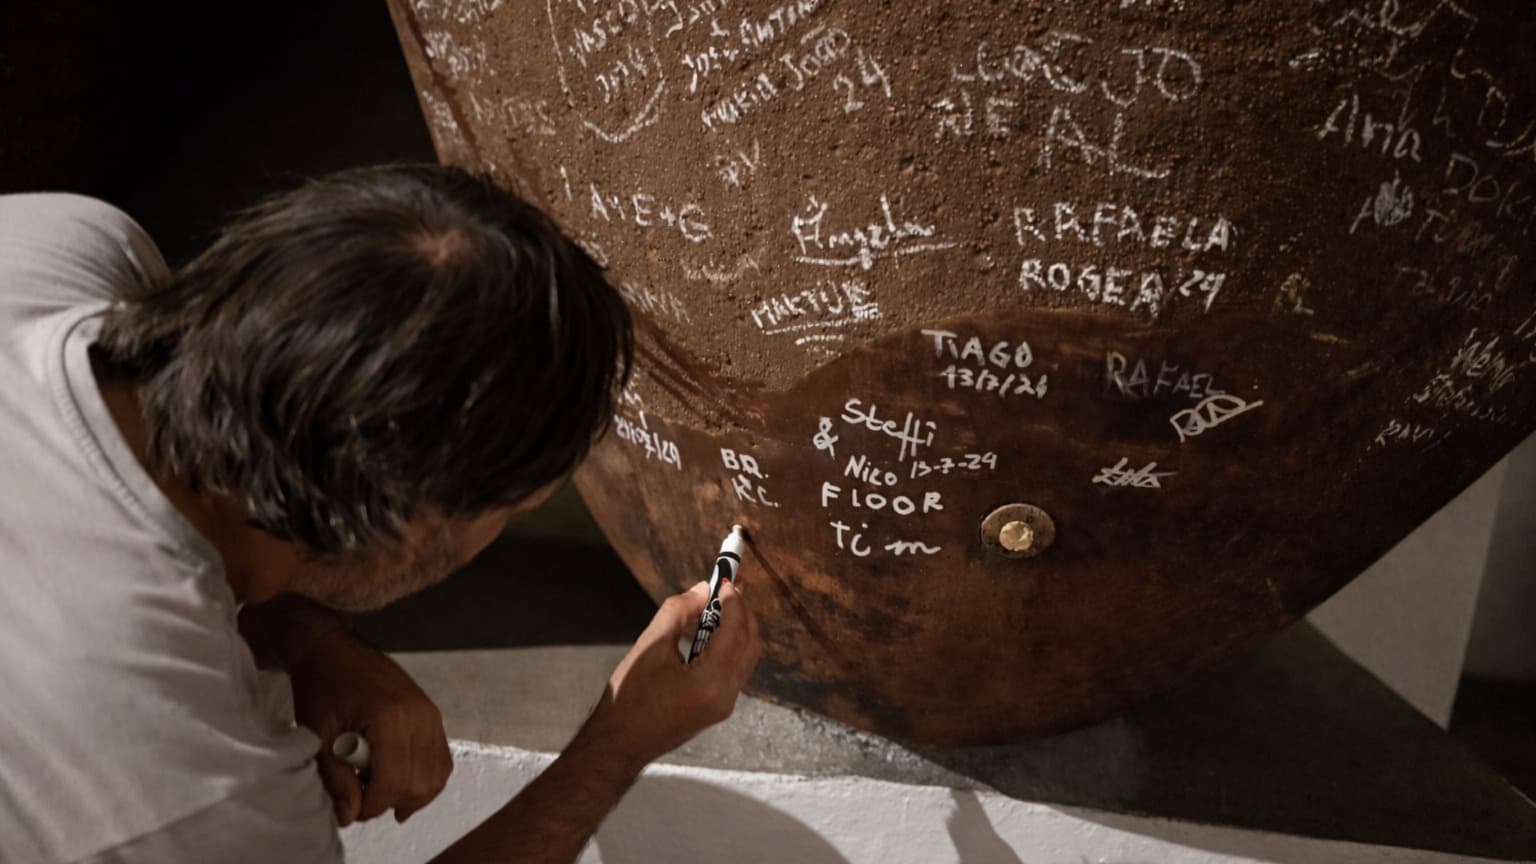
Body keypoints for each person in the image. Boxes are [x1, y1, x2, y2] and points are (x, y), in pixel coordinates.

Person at [0, 164, 762, 863]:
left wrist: (306, 635)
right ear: (408, 527)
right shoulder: (184, 784)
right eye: (513, 508)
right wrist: (622, 740)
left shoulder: (65, 243)